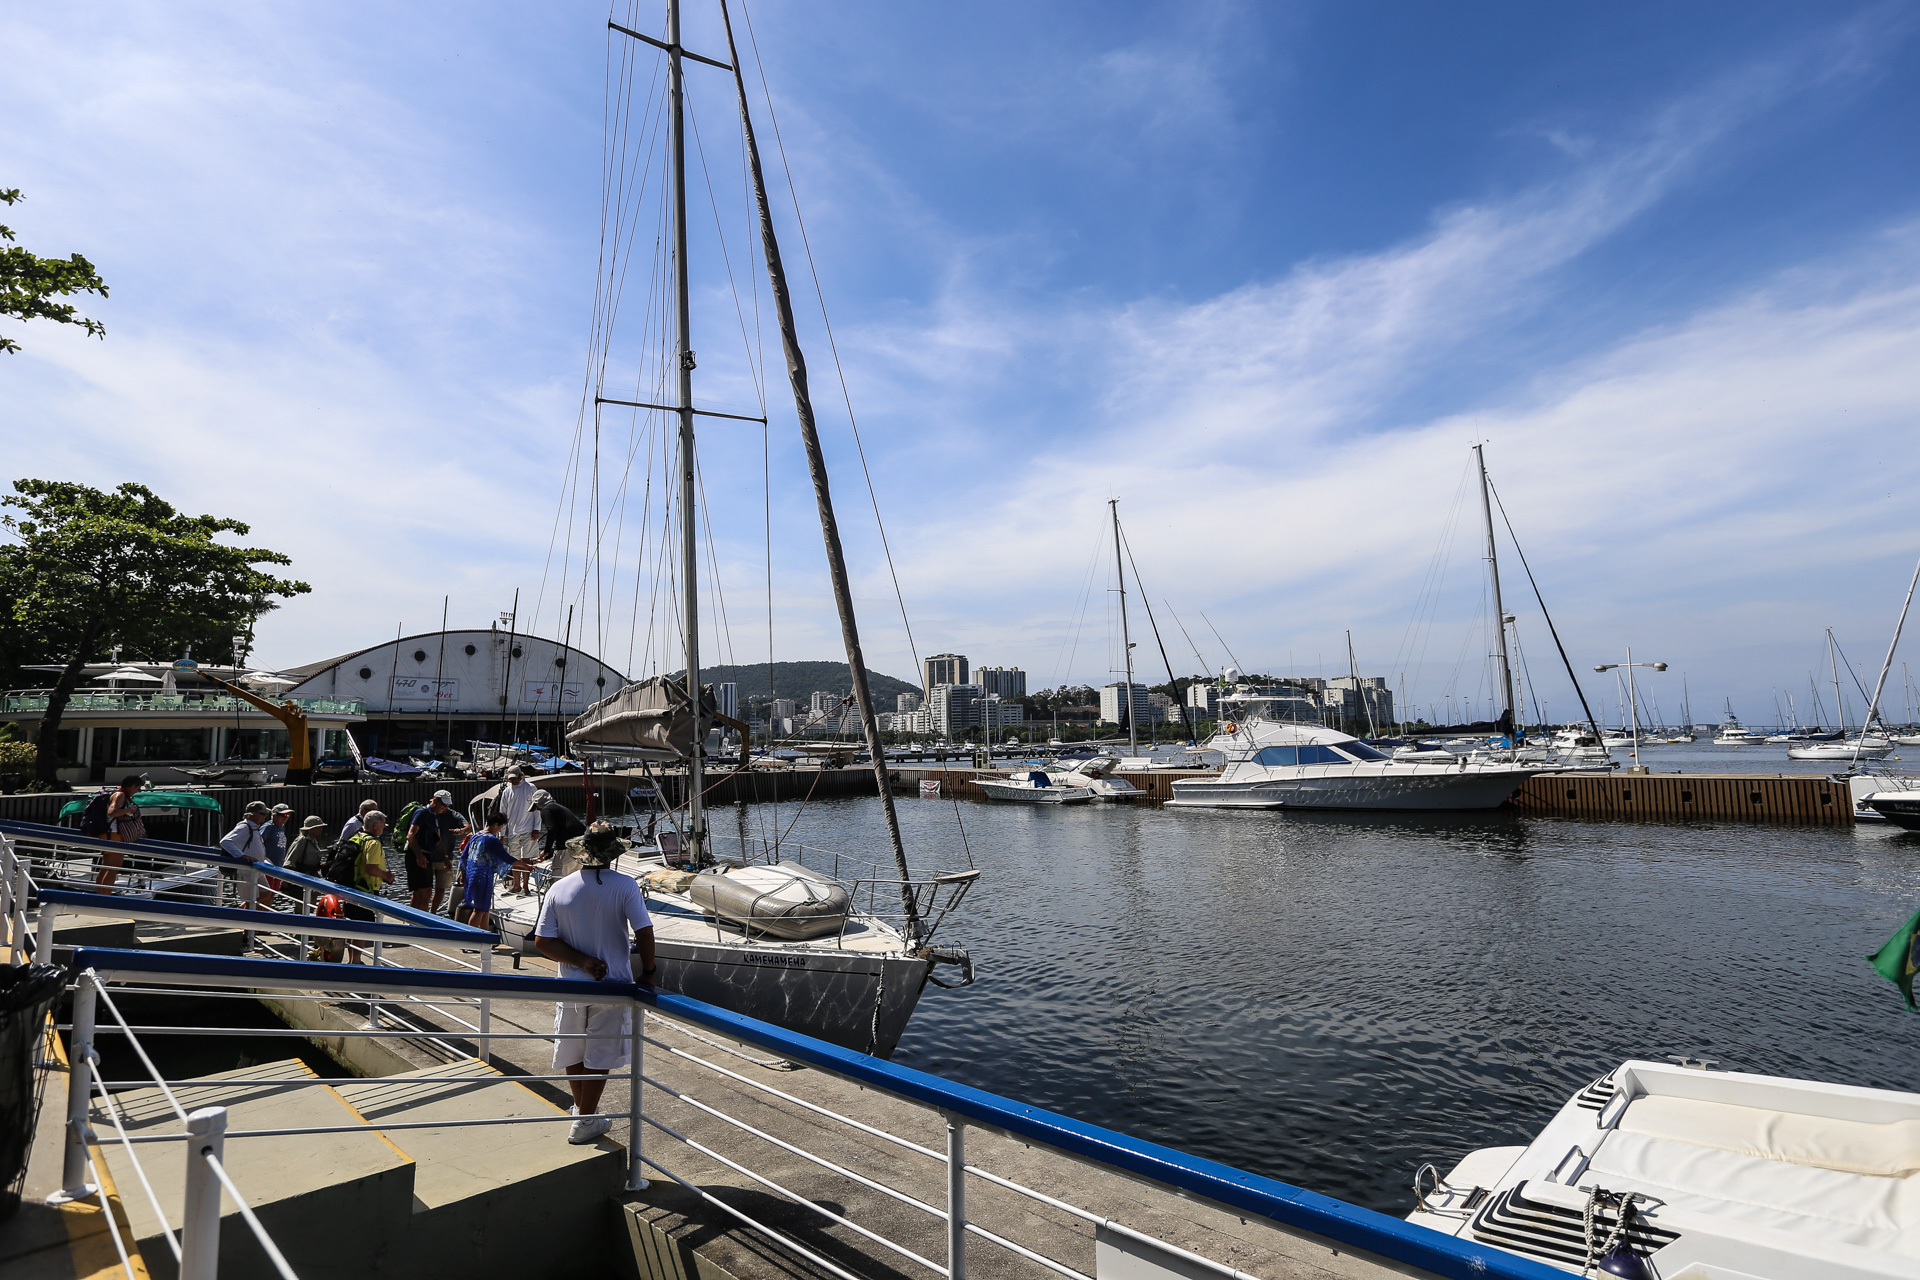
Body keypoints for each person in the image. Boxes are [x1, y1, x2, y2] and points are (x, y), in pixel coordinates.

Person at [534, 821, 656, 1145]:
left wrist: (582, 962)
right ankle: (585, 1120)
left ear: (583, 852)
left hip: (571, 984)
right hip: (613, 984)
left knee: (574, 1051)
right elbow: (644, 931)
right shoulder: (625, 886)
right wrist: (650, 971)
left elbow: (543, 942)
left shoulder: (559, 888)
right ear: (612, 854)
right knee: (600, 1056)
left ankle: (581, 1112)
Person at [459, 811, 533, 933]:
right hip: (482, 877)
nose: (500, 830)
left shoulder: (476, 836)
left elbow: (464, 857)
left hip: (472, 875)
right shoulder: (491, 839)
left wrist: (463, 874)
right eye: (500, 827)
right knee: (479, 910)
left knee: (485, 908)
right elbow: (507, 858)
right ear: (495, 824)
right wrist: (526, 866)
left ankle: (486, 938)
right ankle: (470, 939)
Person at [405, 790, 470, 912]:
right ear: (434, 800)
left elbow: (438, 838)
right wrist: (419, 856)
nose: (445, 808)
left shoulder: (434, 816)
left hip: (427, 856)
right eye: (443, 804)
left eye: (447, 805)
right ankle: (420, 921)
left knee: (422, 891)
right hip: (416, 855)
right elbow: (410, 836)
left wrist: (445, 857)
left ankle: (419, 919)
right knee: (424, 891)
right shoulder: (422, 812)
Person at [343, 811, 394, 963]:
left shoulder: (357, 837)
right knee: (363, 929)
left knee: (354, 928)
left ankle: (352, 960)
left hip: (351, 888)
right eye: (383, 825)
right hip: (365, 891)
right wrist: (387, 876)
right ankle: (356, 961)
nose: (384, 828)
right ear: (375, 825)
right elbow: (371, 868)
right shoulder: (373, 842)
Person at [94, 775, 145, 889]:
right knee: (113, 868)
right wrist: (129, 810)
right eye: (138, 788)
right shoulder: (120, 795)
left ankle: (100, 896)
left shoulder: (118, 794)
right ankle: (105, 898)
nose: (137, 791)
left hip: (108, 834)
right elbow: (112, 812)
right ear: (132, 786)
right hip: (114, 835)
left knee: (106, 867)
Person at [220, 801, 273, 908]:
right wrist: (241, 855)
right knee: (251, 900)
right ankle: (243, 916)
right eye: (262, 814)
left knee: (267, 893)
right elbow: (225, 841)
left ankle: (242, 909)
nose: (265, 817)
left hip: (257, 869)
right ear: (252, 814)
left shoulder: (255, 827)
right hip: (246, 871)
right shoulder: (244, 827)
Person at [499, 767, 540, 894]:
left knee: (526, 858)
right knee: (514, 859)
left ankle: (525, 887)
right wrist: (501, 834)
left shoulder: (531, 787)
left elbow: (537, 810)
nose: (513, 780)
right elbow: (503, 813)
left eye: (514, 778)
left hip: (528, 828)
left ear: (521, 776)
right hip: (512, 831)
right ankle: (516, 885)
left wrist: (536, 829)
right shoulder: (507, 791)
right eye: (510, 779)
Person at [535, 790, 587, 861]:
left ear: (539, 804)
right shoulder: (561, 808)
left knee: (558, 871)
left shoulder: (546, 810)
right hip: (581, 846)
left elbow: (551, 830)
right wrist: (547, 856)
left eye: (536, 807)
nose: (537, 809)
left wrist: (546, 851)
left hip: (568, 847)